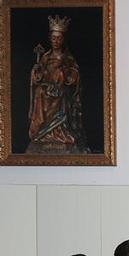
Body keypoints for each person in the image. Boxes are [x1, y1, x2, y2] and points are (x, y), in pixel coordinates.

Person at [27, 15, 89, 154]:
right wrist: (37, 72)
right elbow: (38, 78)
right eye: (54, 38)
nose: (56, 41)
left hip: (61, 90)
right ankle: (42, 132)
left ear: (63, 39)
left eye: (59, 38)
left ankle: (60, 131)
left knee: (60, 94)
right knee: (39, 92)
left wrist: (65, 75)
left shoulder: (68, 58)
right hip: (46, 89)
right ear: (50, 39)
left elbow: (74, 76)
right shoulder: (45, 57)